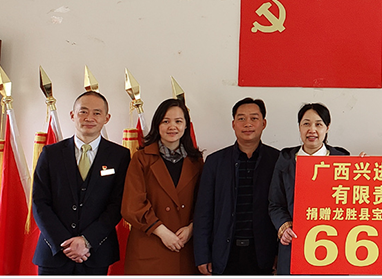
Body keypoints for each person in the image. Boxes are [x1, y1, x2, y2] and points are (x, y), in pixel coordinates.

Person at [32, 91, 131, 275]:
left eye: (97, 113)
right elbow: (39, 202)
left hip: (95, 253)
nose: (89, 118)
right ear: (72, 115)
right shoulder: (50, 154)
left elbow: (117, 203)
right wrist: (64, 243)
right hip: (54, 253)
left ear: (106, 118)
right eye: (83, 111)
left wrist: (87, 240)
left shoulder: (120, 156)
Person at [194, 98, 279, 275]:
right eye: (241, 118)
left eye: (254, 118)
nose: (247, 124)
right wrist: (202, 255)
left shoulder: (277, 160)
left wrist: (282, 254)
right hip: (224, 254)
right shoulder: (215, 162)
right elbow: (203, 212)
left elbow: (283, 209)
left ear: (263, 123)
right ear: (233, 124)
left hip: (264, 254)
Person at [121, 98, 204, 274]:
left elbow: (204, 203)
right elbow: (132, 204)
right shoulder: (141, 158)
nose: (172, 126)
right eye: (166, 121)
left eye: (178, 121)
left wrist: (191, 228)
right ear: (157, 125)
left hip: (185, 246)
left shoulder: (196, 161)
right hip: (150, 244)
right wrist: (161, 231)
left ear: (186, 126)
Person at [268, 103, 350, 275]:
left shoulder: (342, 160)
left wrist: (365, 170)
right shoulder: (285, 160)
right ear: (299, 126)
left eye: (318, 124)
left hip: (333, 246)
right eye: (306, 123)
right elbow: (275, 204)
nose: (312, 130)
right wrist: (284, 226)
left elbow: (354, 202)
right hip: (294, 244)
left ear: (327, 127)